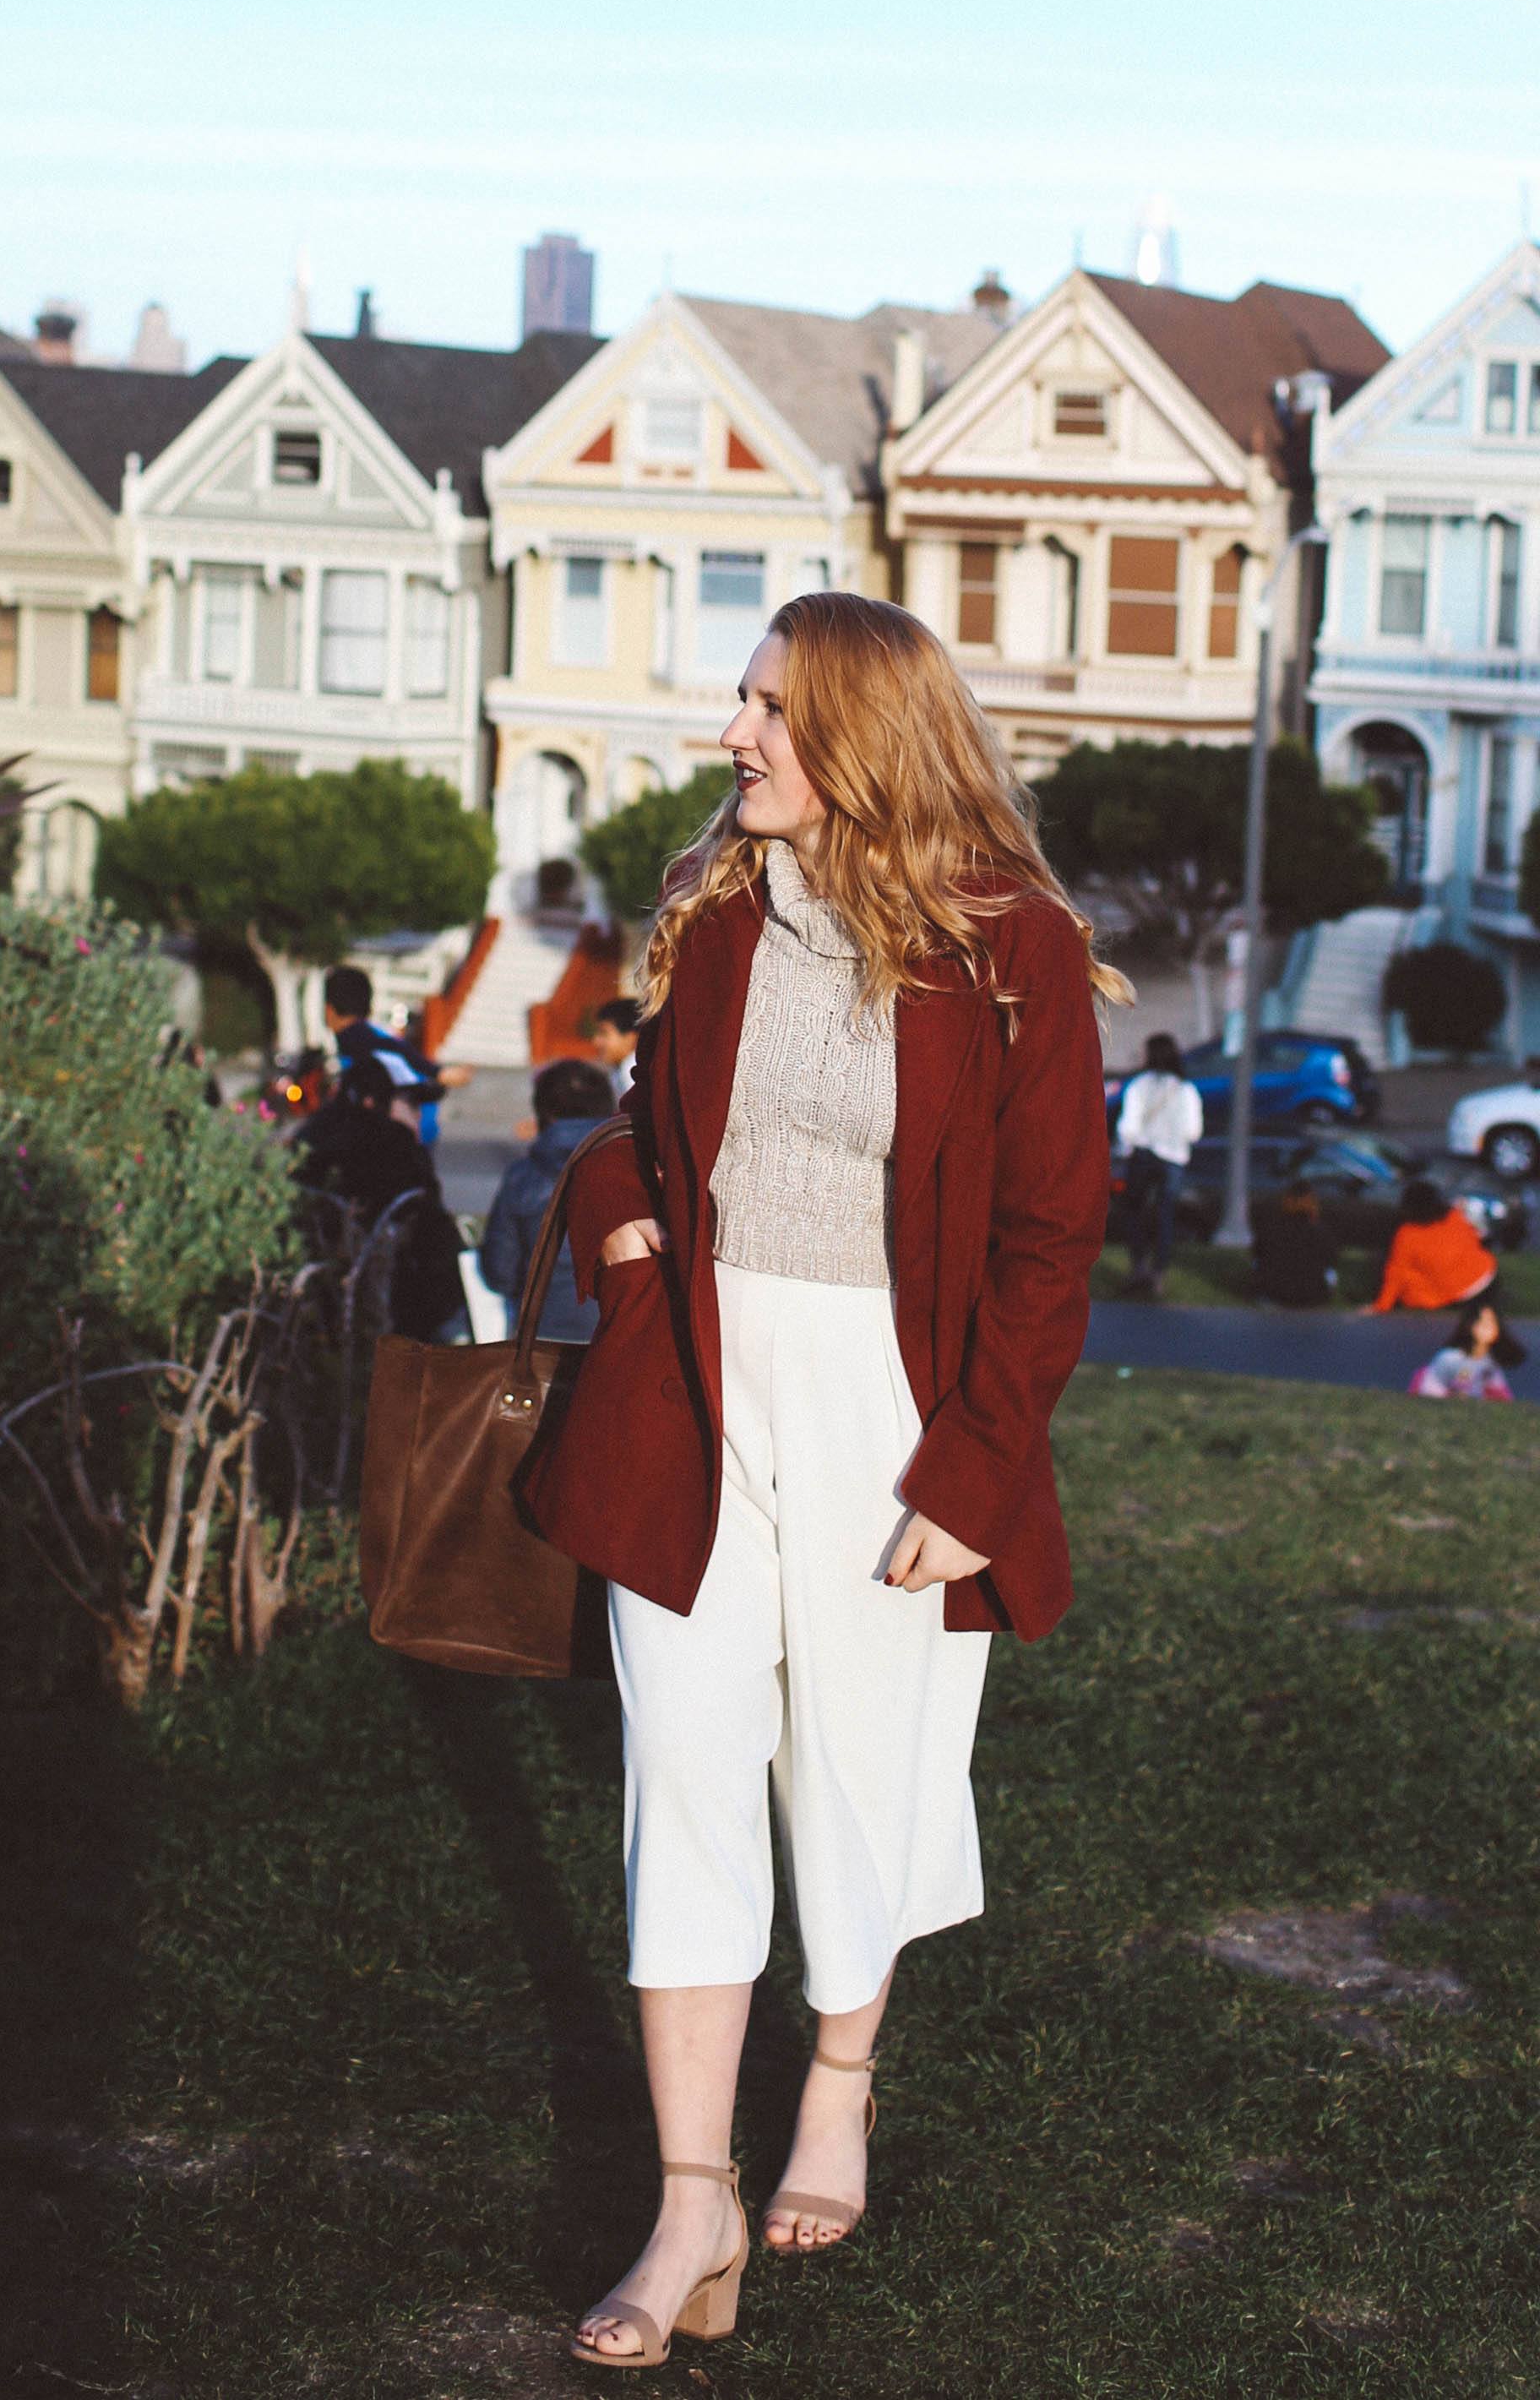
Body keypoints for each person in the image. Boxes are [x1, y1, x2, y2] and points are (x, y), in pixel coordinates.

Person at [519, 592, 1123, 2369]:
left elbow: (1047, 1241)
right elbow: (639, 1126)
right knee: (683, 1777)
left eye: (769, 709)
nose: (733, 735)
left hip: (894, 1412)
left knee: (860, 1781)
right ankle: (689, 2197)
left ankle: (838, 2083)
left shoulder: (1013, 945)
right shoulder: (715, 907)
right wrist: (623, 1236)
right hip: (689, 1399)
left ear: (862, 731)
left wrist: (980, 1467)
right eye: (742, 705)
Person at [295, 1056, 465, 1340]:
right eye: (410, 1104)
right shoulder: (394, 1149)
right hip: (388, 1313)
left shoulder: (314, 1139)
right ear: (373, 1101)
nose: (418, 1115)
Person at [480, 1058, 615, 1342]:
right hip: (617, 1336)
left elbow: (499, 1272)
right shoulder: (637, 1171)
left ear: (545, 1113)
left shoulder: (522, 1176)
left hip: (540, 1338)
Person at [322, 963, 472, 1142]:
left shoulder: (356, 1040)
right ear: (369, 1007)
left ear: (328, 1010)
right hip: (415, 1133)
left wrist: (438, 1073)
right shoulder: (379, 1038)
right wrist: (439, 1073)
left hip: (397, 1139)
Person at [1113, 1033, 1203, 1298]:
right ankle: (1158, 1274)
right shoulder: (1186, 1090)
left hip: (1142, 1154)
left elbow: (1127, 1126)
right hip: (1173, 1158)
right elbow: (1194, 1131)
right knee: (1166, 1216)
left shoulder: (1139, 1086)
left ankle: (1138, 1266)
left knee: (1134, 1210)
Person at [1362, 1179, 1497, 1315]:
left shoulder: (1407, 1234)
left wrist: (1381, 1306)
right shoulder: (1454, 1215)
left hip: (1456, 1292)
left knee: (1406, 1275)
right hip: (1484, 1276)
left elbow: (1397, 1272)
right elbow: (1476, 1238)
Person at [1409, 1300, 1527, 1399]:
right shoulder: (1457, 1358)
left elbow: (1500, 1391)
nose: (1489, 1328)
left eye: (1492, 1323)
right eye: (1484, 1324)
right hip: (1432, 1395)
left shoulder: (1488, 1360)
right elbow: (1461, 1392)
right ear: (1471, 1326)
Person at [1250, 1177, 1340, 1307]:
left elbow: (1257, 1254)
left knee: (1258, 1264)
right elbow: (1332, 1259)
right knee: (1330, 1271)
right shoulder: (1321, 1231)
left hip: (1273, 1293)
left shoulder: (1270, 1228)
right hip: (1314, 1294)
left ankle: (1260, 1290)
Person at [591, 995, 643, 1101]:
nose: (596, 1041)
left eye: (604, 1033)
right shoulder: (618, 1070)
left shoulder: (633, 1069)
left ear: (631, 1038)